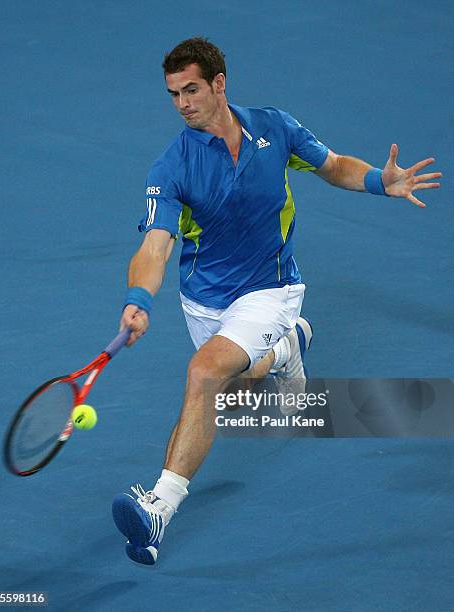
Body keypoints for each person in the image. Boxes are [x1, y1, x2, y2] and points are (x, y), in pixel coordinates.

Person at [112, 37, 442, 565]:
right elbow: (155, 244)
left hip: (271, 288)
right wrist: (139, 297)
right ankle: (288, 348)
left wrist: (381, 181)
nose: (183, 103)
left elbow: (331, 165)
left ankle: (159, 506)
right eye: (174, 94)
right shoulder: (170, 167)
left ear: (219, 84)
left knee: (203, 373)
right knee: (242, 383)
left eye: (192, 89)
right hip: (206, 300)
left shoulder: (275, 127)